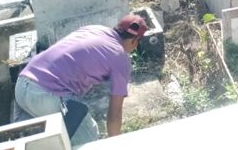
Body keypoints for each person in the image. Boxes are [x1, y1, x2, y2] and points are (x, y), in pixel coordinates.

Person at [14, 14, 148, 146]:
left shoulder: (94, 29)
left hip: (21, 86)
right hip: (47, 95)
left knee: (49, 143)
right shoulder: (120, 58)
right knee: (88, 140)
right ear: (135, 40)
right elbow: (115, 113)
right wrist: (115, 144)